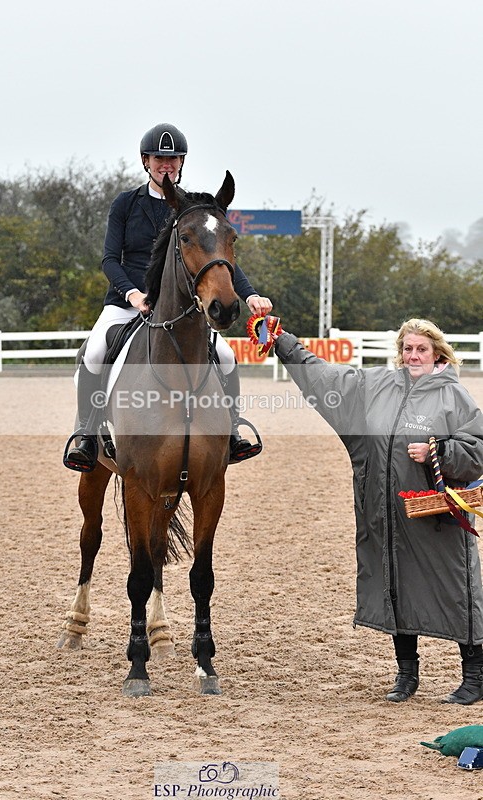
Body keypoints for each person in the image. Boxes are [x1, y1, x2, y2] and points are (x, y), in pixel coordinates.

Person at [271, 317, 483, 705]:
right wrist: (283, 342)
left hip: (435, 518)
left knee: (456, 588)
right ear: (400, 352)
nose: (413, 355)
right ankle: (406, 675)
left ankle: (475, 677)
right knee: (393, 585)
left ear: (436, 352)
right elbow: (326, 378)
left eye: (421, 349)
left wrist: (440, 451)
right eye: (408, 349)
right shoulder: (377, 385)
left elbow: (478, 447)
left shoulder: (453, 396)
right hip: (385, 512)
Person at [64, 123, 272, 471]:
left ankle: (233, 430)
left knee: (225, 355)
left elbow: (216, 259)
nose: (166, 165)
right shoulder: (126, 204)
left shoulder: (193, 209)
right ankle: (87, 433)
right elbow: (110, 259)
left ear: (181, 163)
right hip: (127, 303)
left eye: (173, 159)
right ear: (146, 161)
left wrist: (248, 295)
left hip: (178, 307)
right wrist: (132, 294)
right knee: (96, 351)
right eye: (160, 158)